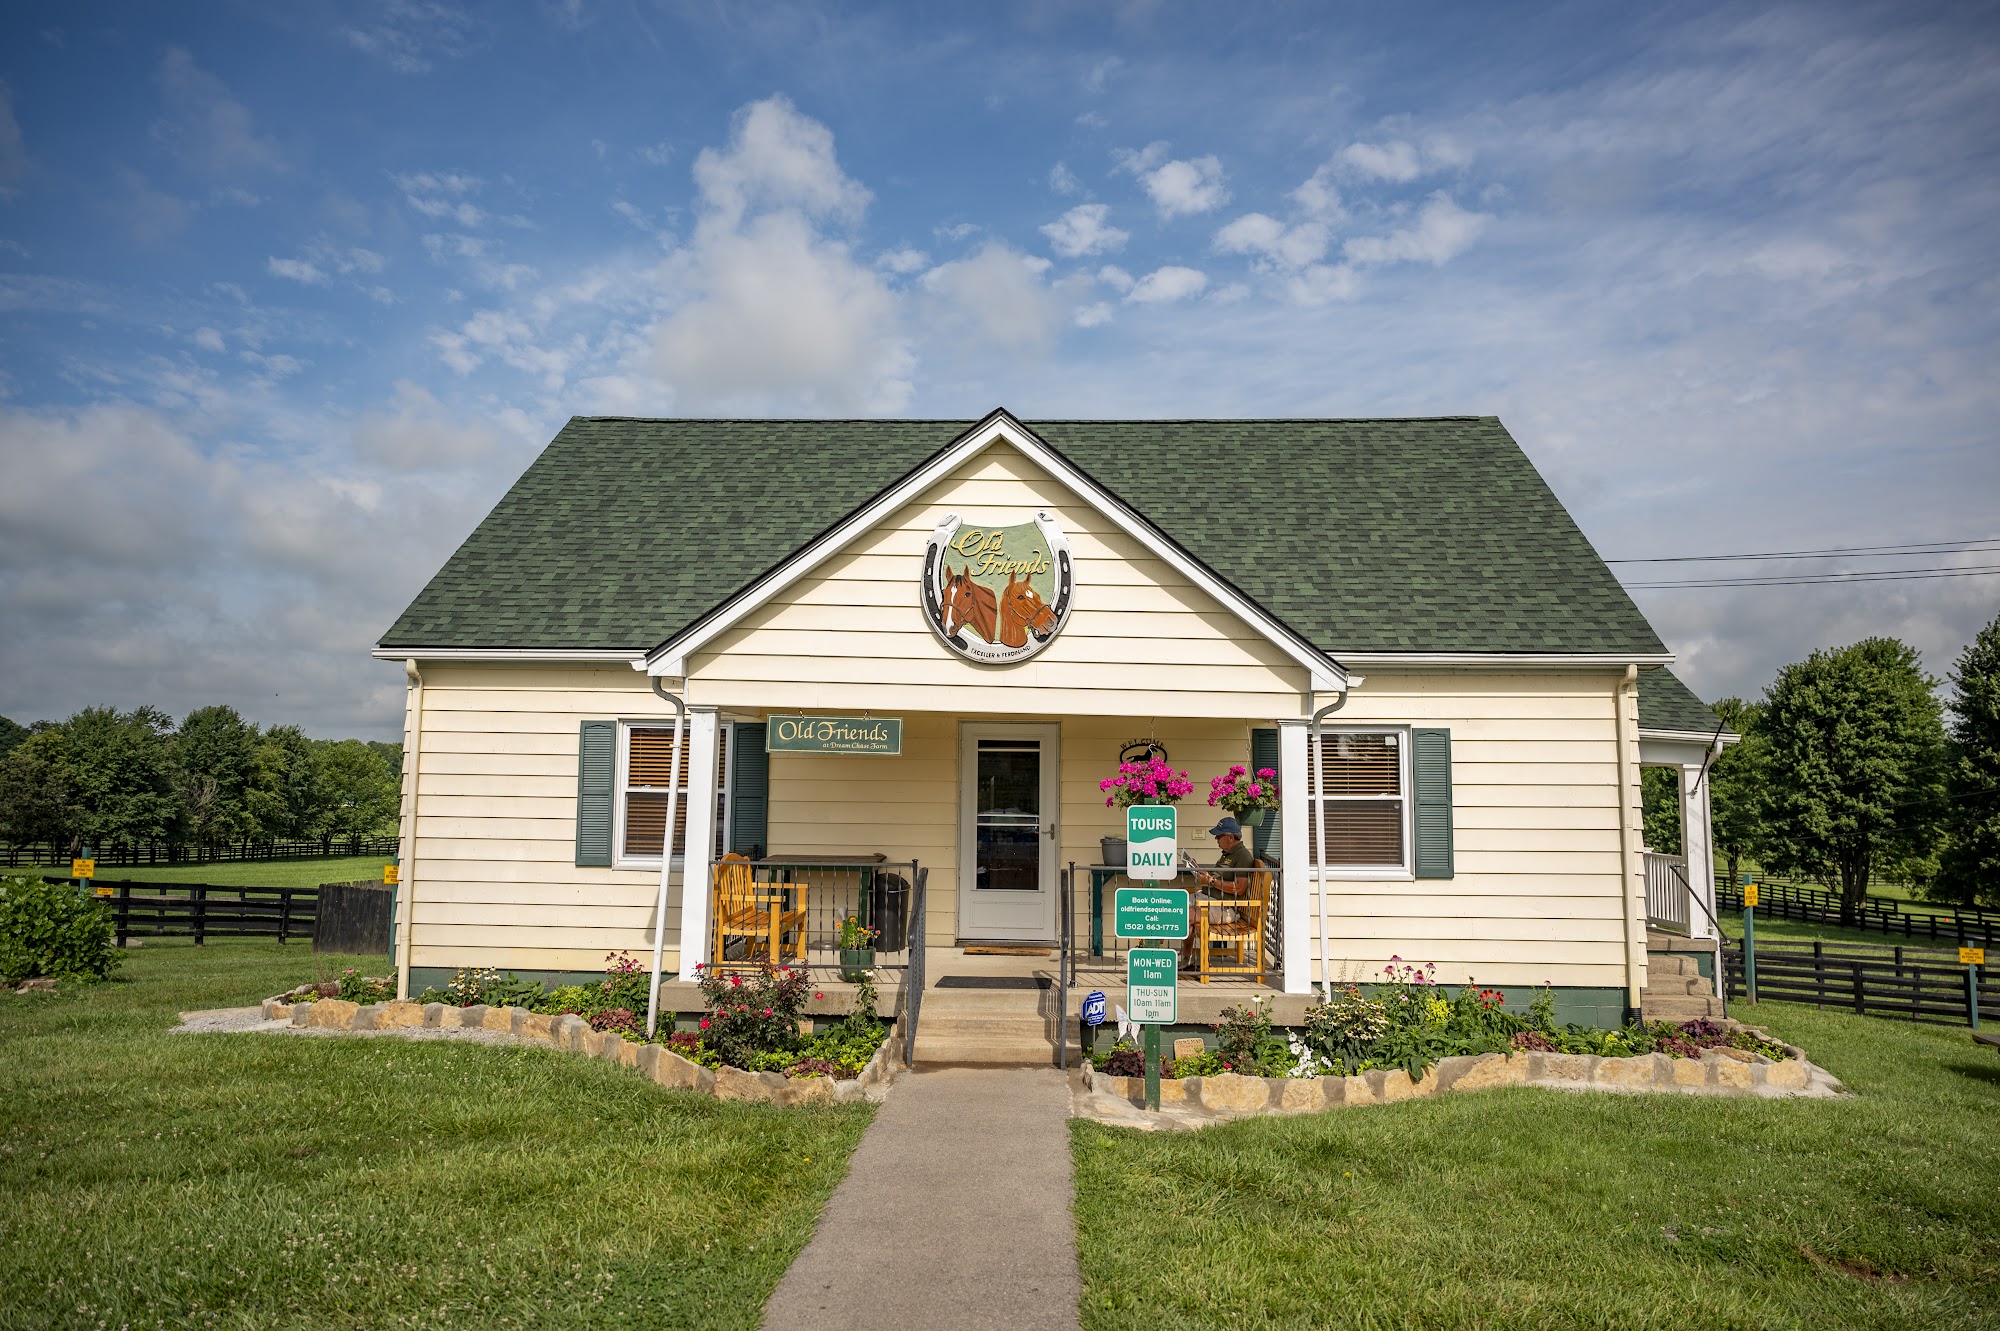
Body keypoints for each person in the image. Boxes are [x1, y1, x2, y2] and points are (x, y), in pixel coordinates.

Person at [1183, 817, 1258, 968]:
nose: (1216, 839)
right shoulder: (1228, 854)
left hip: (1225, 907)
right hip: (1208, 899)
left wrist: (1210, 881)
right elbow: (1220, 877)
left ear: (1230, 837)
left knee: (1186, 915)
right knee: (1173, 905)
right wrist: (1204, 874)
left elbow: (1239, 888)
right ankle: (1185, 959)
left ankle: (1184, 958)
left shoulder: (1242, 856)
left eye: (1219, 836)